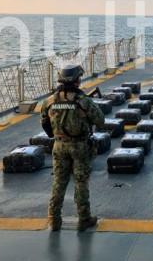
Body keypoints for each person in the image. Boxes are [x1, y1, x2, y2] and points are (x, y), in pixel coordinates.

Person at [41, 64, 105, 232]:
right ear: (77, 81)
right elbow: (100, 121)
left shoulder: (49, 101)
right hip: (79, 146)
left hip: (59, 145)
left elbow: (45, 123)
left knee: (58, 182)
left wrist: (55, 134)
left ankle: (54, 219)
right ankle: (84, 218)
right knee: (81, 182)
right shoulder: (83, 101)